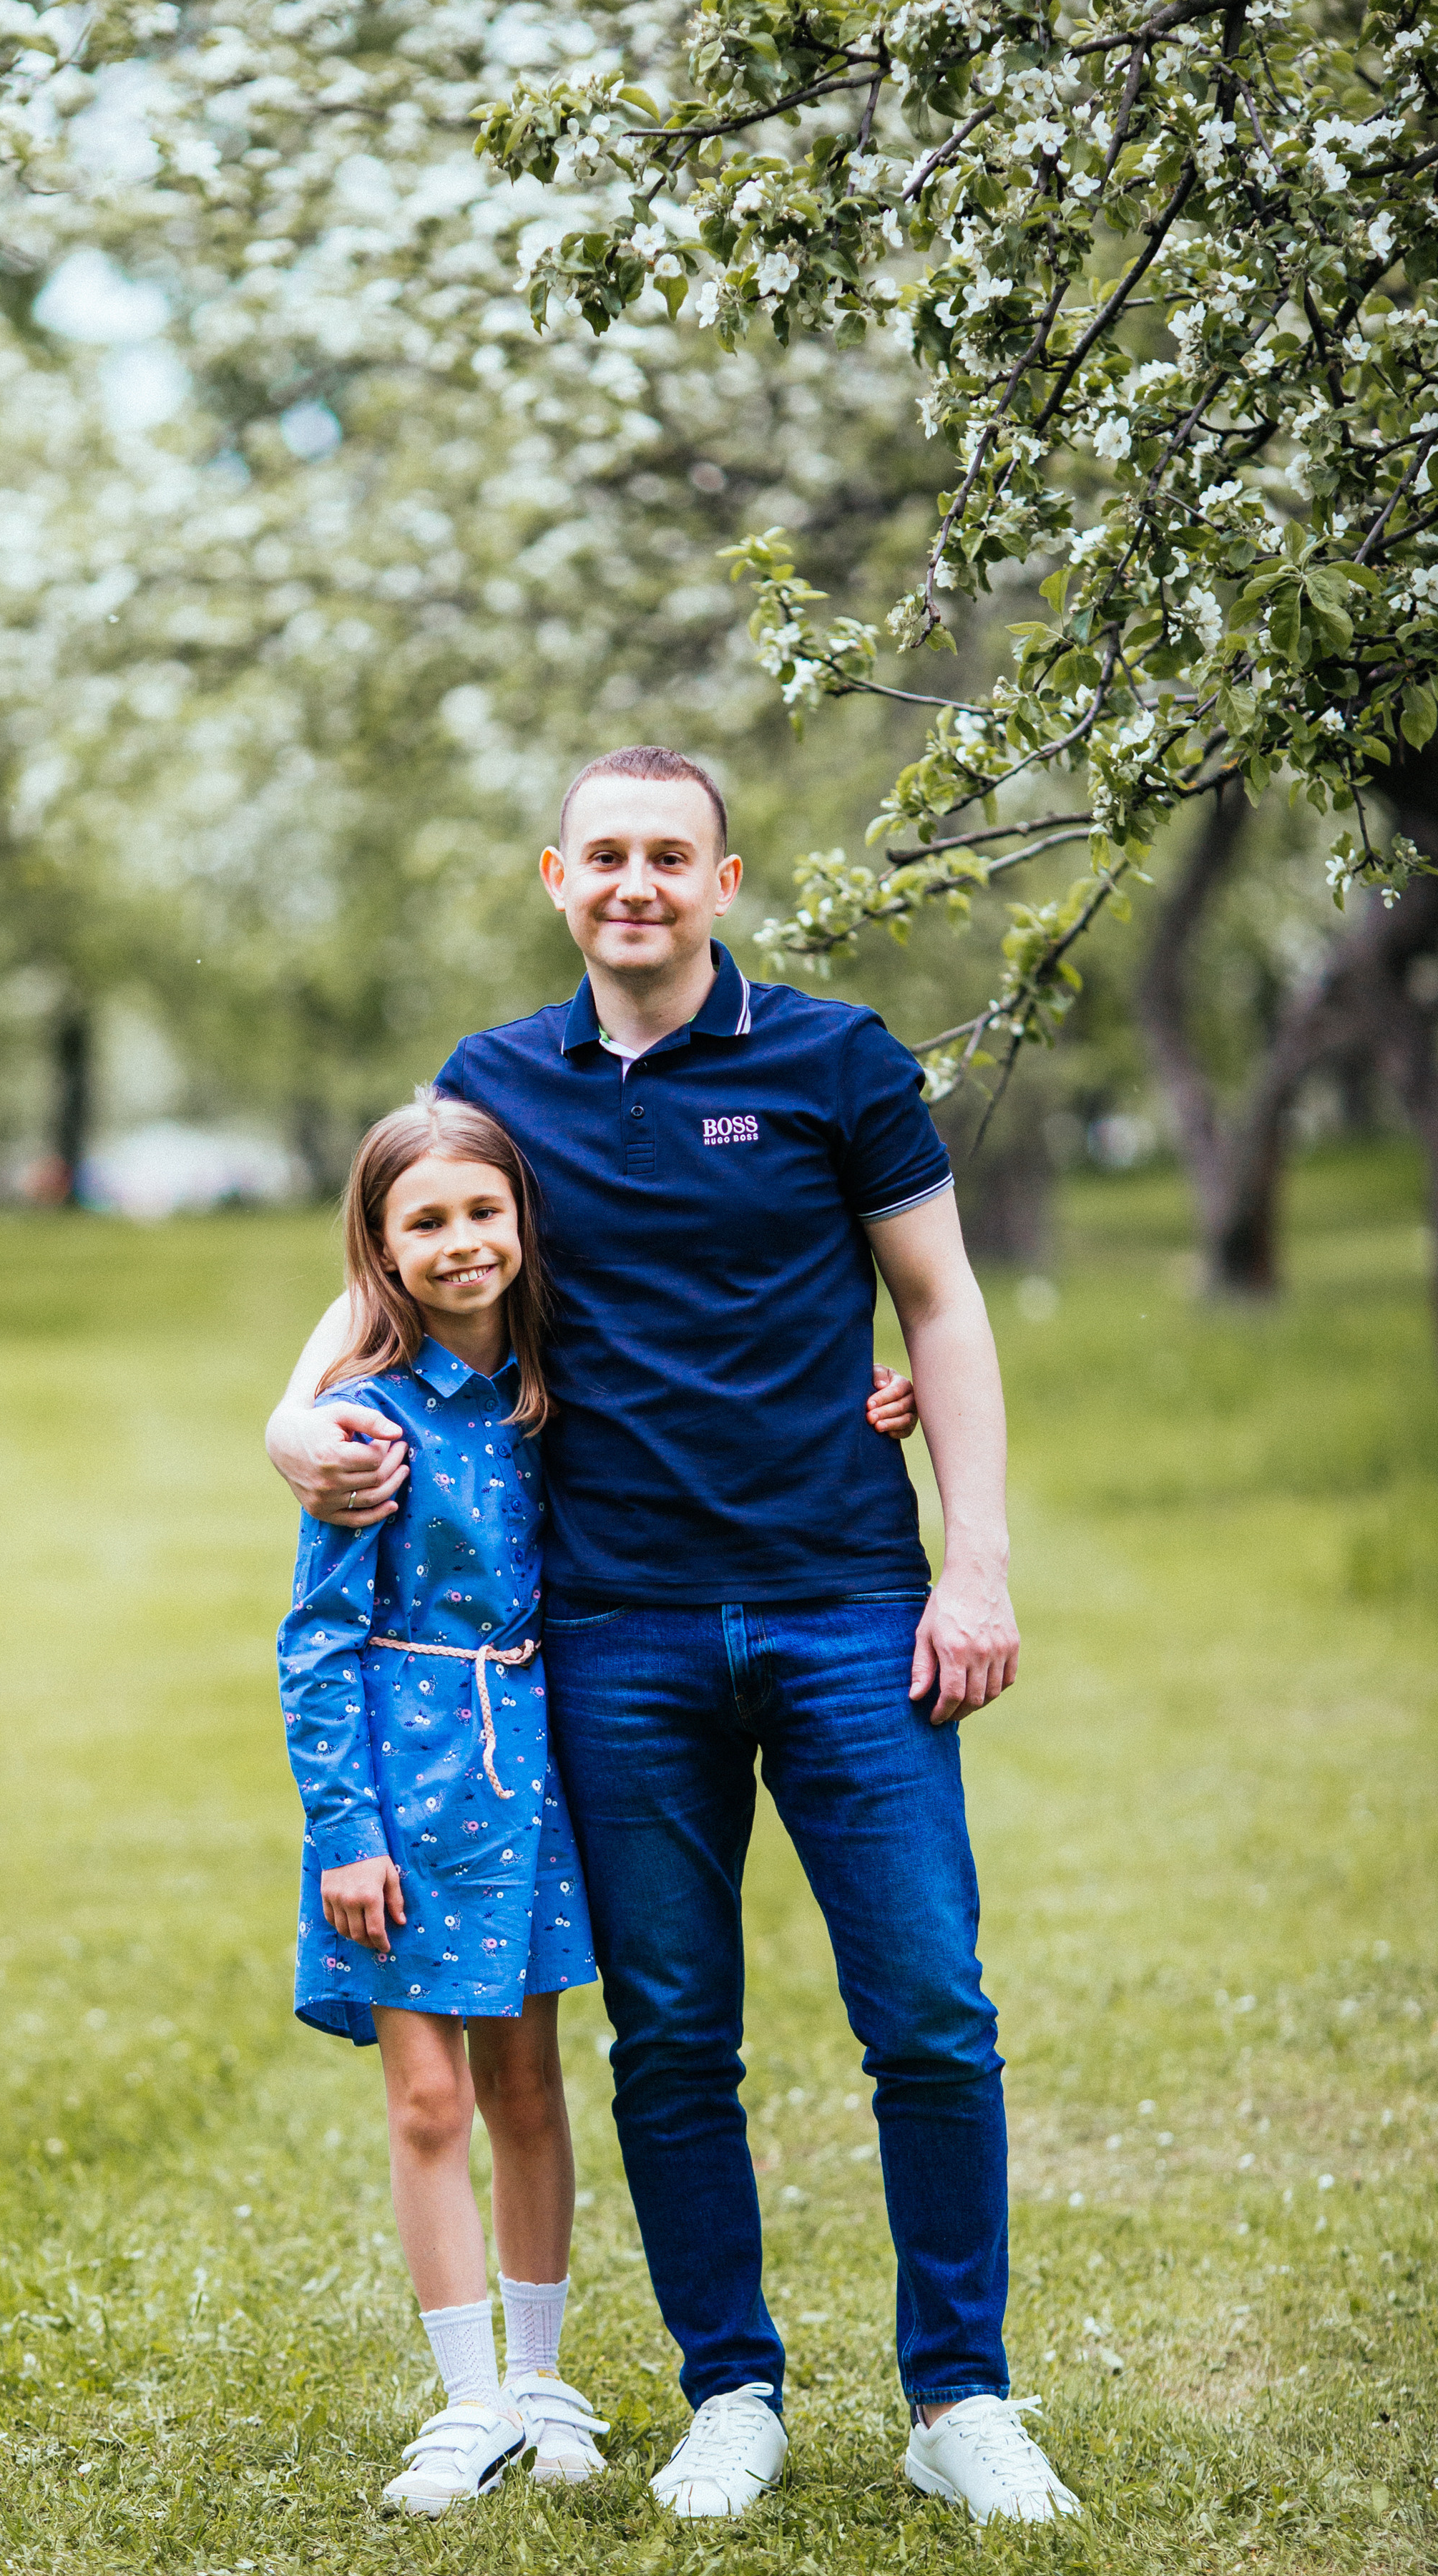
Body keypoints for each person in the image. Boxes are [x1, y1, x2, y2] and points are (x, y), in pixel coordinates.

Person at [268, 746, 1080, 2529]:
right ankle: (733, 2392)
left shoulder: (840, 1063)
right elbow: (386, 1264)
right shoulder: (494, 1084)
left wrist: (978, 1564)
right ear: (556, 880)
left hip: (848, 1606)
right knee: (673, 2038)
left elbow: (941, 1306)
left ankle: (961, 2397)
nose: (636, 883)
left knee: (931, 2012)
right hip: (610, 1632)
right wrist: (286, 1425)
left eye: (670, 854)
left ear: (724, 882)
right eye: (606, 855)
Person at [278, 1096, 604, 2517]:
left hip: (527, 1780)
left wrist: (866, 1404)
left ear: (521, 1220)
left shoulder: (556, 1386)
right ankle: (470, 2399)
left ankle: (540, 2379)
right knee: (428, 2100)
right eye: (428, 1221)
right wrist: (346, 1836)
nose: (463, 1241)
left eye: (484, 1211)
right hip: (404, 1802)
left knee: (527, 2085)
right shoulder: (365, 1424)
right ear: (381, 1246)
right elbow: (315, 1645)